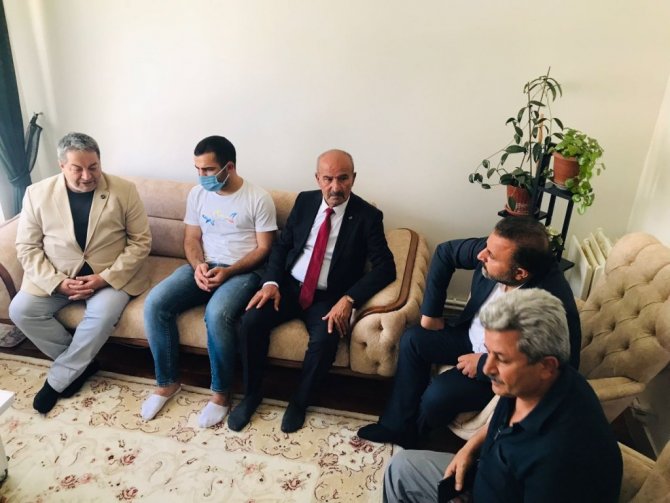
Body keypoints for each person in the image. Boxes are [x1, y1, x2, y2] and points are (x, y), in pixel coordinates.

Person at [358, 217, 581, 447]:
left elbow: (559, 369)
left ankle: (417, 436)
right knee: (414, 339)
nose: (481, 255)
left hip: (498, 364)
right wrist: (431, 313)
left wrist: (484, 363)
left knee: (438, 396)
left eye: (490, 256)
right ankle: (395, 426)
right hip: (469, 335)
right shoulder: (500, 247)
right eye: (487, 247)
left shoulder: (551, 305)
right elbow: (445, 252)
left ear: (520, 274)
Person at [383, 288, 622, 503]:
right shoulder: (530, 385)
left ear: (546, 366)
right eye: (488, 353)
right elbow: (505, 424)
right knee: (400, 468)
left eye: (502, 359)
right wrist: (468, 450)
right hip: (486, 477)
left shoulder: (559, 458)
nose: (487, 368)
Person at [227, 149, 396, 433]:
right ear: (318, 179)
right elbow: (282, 246)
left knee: (326, 341)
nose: (335, 187)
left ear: (353, 178)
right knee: (251, 321)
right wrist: (271, 283)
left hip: (330, 297)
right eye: (328, 179)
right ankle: (252, 394)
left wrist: (349, 299)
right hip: (289, 287)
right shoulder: (305, 202)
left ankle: (299, 402)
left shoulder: (368, 216)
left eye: (343, 178)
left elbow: (386, 268)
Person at [9, 132, 151, 414]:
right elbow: (27, 247)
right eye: (77, 169)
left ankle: (58, 380)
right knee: (20, 311)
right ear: (62, 165)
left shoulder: (124, 190)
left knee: (103, 316)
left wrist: (104, 278)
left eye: (93, 167)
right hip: (57, 276)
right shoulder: (37, 193)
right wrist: (57, 282)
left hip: (108, 277)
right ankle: (80, 366)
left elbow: (141, 242)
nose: (87, 176)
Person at [140, 135, 277, 428]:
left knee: (217, 314)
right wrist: (198, 266)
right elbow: (191, 238)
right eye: (198, 169)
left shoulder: (258, 198)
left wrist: (228, 272)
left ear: (229, 167)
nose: (202, 176)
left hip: (243, 272)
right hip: (204, 265)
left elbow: (264, 249)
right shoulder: (197, 194)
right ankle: (167, 383)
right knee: (155, 303)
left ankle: (221, 394)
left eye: (208, 170)